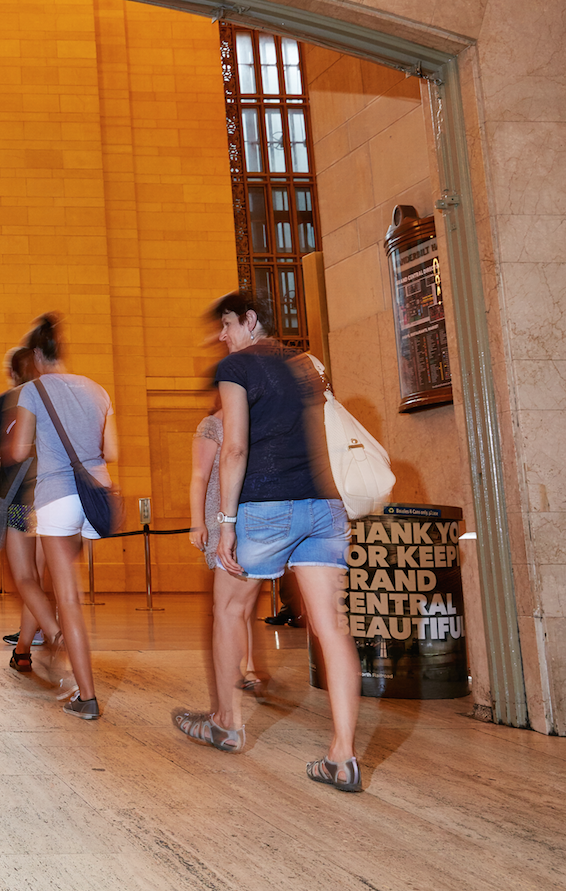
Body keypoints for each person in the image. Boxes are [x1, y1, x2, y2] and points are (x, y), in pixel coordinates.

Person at [173, 292, 362, 792]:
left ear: (251, 320)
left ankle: (226, 724)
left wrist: (226, 522)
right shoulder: (308, 365)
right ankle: (342, 755)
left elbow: (234, 447)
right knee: (332, 628)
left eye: (228, 324)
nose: (222, 335)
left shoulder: (238, 366)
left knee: (230, 612)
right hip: (323, 506)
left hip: (266, 506)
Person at [2, 313, 116, 720]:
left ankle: (87, 695)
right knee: (72, 586)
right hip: (95, 495)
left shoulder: (32, 391)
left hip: (57, 496)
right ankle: (79, 682)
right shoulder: (98, 390)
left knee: (67, 597)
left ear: (35, 354)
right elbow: (112, 449)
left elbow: (18, 450)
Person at [186, 399, 261, 698]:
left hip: (251, 517)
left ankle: (249, 668)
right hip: (220, 519)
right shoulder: (212, 425)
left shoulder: (252, 421)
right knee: (231, 605)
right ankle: (240, 670)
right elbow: (199, 476)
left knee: (245, 604)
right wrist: (196, 523)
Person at [0, 347, 46, 653]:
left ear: (11, 372)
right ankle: (27, 640)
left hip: (18, 501)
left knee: (25, 579)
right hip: (51, 500)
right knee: (41, 577)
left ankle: (51, 634)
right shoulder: (49, 405)